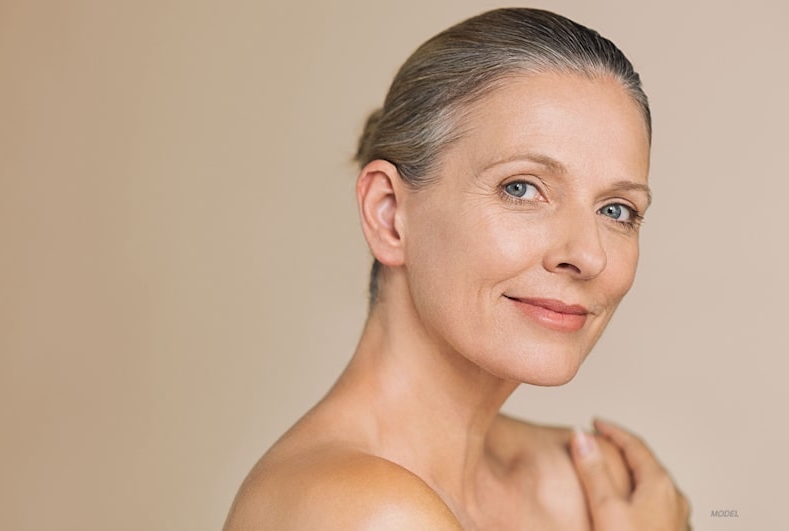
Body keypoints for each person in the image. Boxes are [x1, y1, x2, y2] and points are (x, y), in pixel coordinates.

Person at [224, 8, 690, 530]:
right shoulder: (361, 511)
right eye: (521, 188)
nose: (587, 255)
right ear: (389, 214)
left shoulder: (580, 481)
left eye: (616, 211)